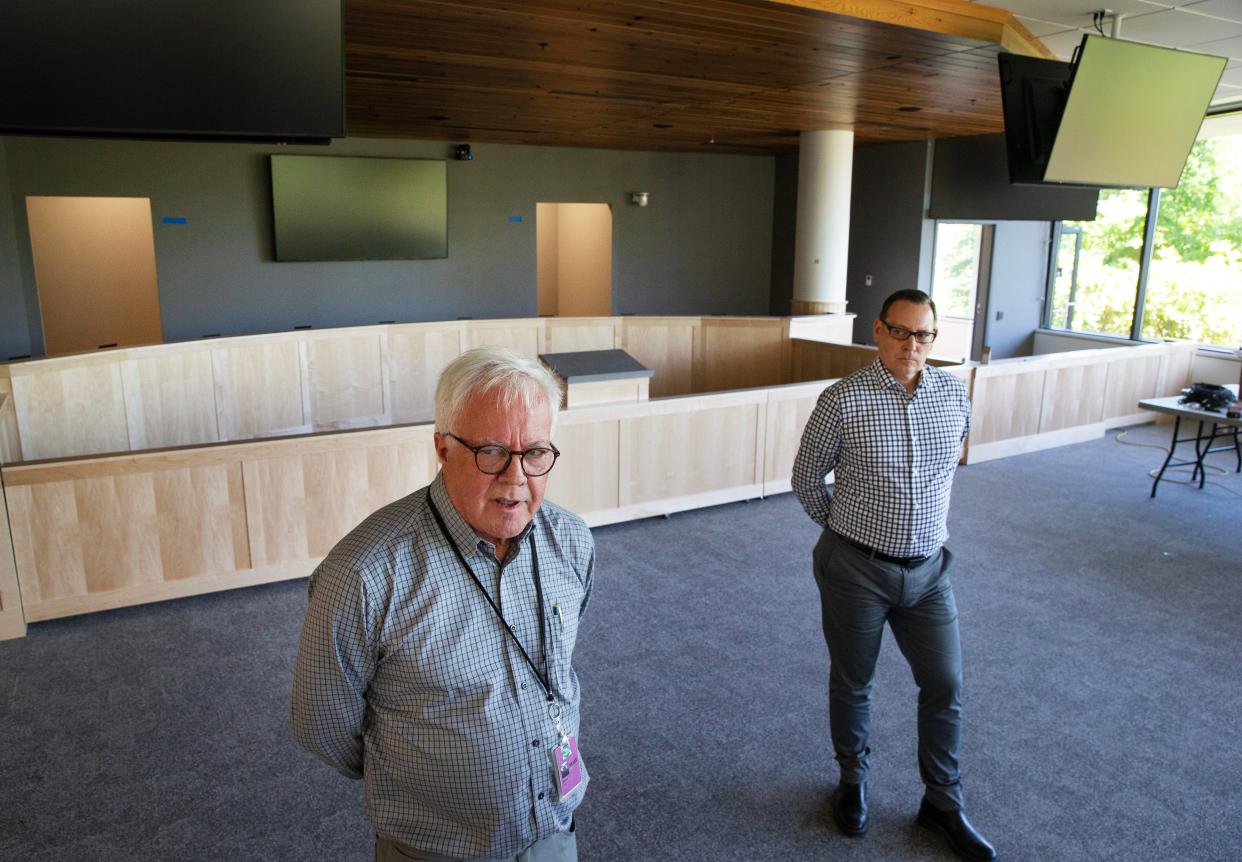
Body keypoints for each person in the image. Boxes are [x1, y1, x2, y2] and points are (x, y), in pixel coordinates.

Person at [292, 346, 594, 862]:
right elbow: (323, 724)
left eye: (536, 452)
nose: (516, 477)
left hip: (554, 832)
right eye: (492, 451)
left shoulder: (572, 540)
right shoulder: (364, 575)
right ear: (443, 447)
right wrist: (411, 768)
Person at [791, 289, 995, 862]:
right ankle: (853, 781)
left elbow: (950, 464)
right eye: (901, 332)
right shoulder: (843, 400)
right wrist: (849, 532)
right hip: (856, 568)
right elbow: (807, 479)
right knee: (855, 681)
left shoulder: (954, 395)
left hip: (930, 571)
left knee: (945, 684)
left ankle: (943, 801)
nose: (912, 345)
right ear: (879, 331)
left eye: (924, 334)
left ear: (935, 337)